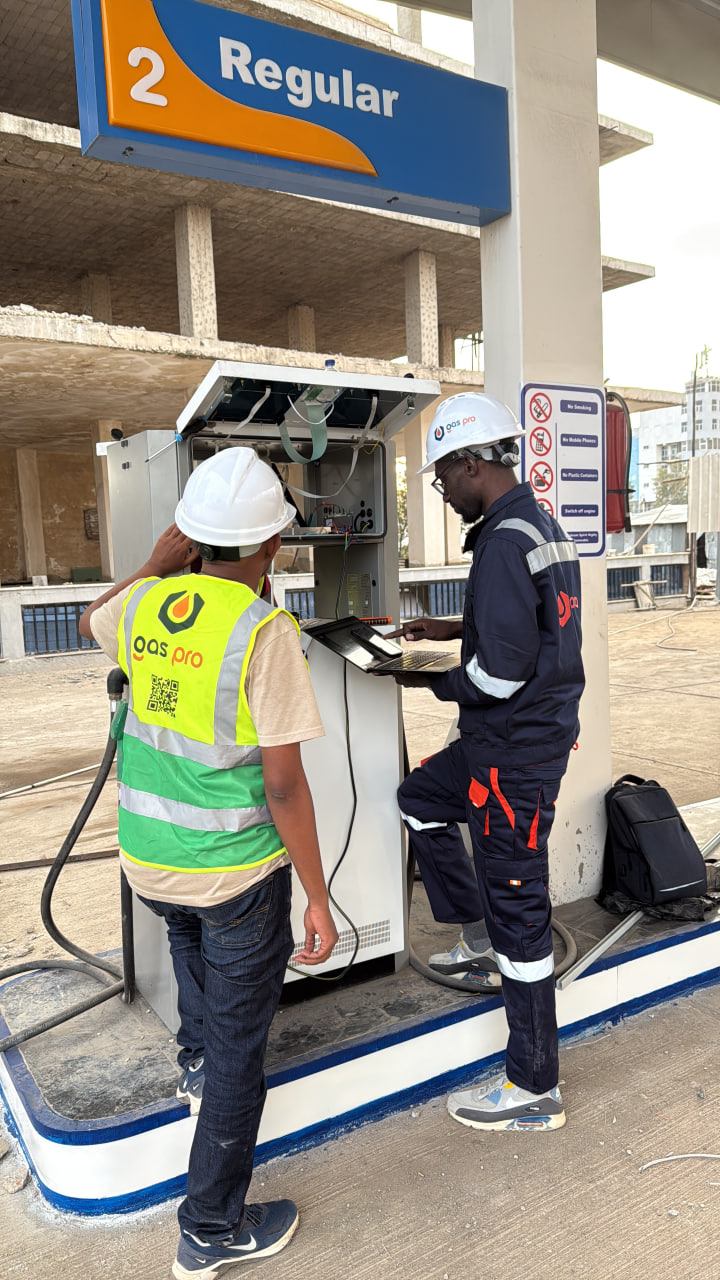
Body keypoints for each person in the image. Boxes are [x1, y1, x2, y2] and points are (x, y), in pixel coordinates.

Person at [79, 446, 338, 1280]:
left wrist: (154, 563)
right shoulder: (265, 636)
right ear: (269, 549)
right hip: (233, 877)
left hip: (147, 860)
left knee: (191, 964)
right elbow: (286, 791)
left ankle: (194, 1060)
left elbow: (94, 616)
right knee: (240, 1052)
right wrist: (319, 896)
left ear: (190, 536)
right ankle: (212, 1227)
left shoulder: (147, 605)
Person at [392, 392, 584, 1133]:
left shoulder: (503, 541)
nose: (442, 489)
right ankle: (473, 933)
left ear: (474, 463)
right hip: (508, 741)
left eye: (444, 475)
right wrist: (447, 626)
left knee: (523, 918)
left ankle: (534, 1087)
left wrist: (421, 674)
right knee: (418, 800)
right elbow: (533, 626)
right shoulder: (530, 523)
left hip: (511, 756)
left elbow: (500, 674)